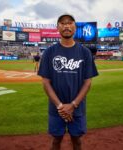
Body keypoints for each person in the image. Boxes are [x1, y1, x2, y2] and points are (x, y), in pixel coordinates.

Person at [38, 14, 98, 150]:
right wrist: (60, 106)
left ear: (75, 27)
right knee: (56, 140)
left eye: (70, 23)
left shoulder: (85, 52)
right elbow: (46, 83)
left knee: (77, 140)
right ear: (57, 27)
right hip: (56, 108)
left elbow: (87, 83)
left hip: (77, 108)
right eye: (63, 23)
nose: (66, 26)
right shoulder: (49, 52)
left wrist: (73, 105)